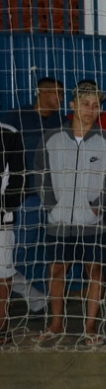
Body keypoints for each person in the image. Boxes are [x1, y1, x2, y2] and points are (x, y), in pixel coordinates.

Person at [36, 80, 106, 345]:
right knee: (57, 271)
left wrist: (98, 204)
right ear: (72, 105)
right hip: (59, 221)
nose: (90, 110)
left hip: (93, 223)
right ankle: (56, 323)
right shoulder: (51, 138)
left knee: (95, 272)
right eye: (85, 104)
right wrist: (52, 205)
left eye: (95, 106)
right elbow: (40, 174)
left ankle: (90, 328)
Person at [2, 76, 64, 313]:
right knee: (12, 254)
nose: (60, 98)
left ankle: (42, 301)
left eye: (61, 93)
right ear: (40, 92)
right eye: (55, 93)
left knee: (49, 254)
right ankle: (34, 295)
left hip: (55, 199)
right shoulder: (14, 118)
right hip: (25, 199)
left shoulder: (62, 122)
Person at [0, 126, 26, 344]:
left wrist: (4, 206)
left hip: (2, 220)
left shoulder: (8, 134)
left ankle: (2, 327)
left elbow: (18, 179)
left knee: (3, 274)